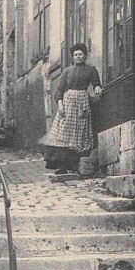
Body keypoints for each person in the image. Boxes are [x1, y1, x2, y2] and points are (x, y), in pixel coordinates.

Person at [42, 43, 102, 175]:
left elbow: (96, 84)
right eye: (76, 55)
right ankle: (62, 166)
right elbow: (59, 91)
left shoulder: (91, 70)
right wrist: (61, 106)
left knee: (79, 134)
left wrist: (97, 88)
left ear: (85, 56)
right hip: (68, 103)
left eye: (80, 54)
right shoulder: (67, 71)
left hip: (82, 103)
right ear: (72, 57)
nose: (78, 56)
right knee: (62, 134)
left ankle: (76, 166)